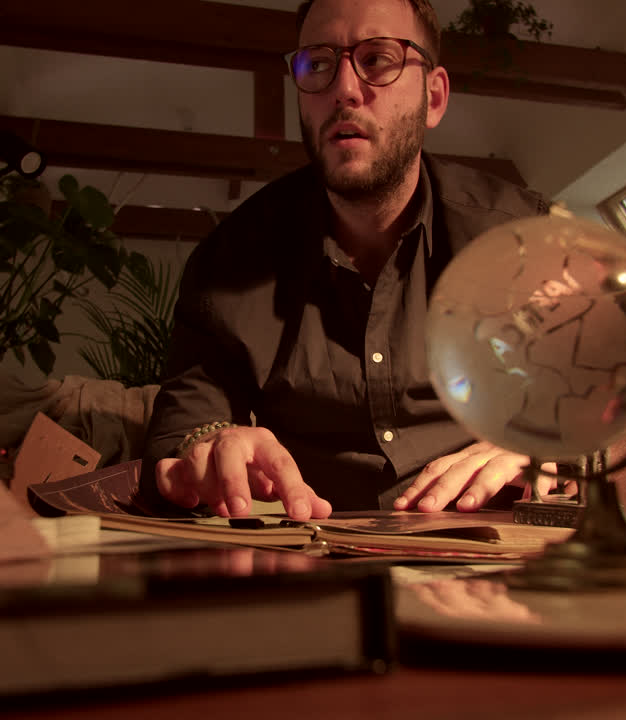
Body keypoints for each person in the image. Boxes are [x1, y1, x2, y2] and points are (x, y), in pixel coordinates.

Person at [140, 0, 562, 521]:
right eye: (317, 64)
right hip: (313, 562)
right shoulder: (230, 261)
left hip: (499, 559)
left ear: (433, 97)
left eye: (379, 59)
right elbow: (181, 432)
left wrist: (555, 449)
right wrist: (206, 448)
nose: (343, 88)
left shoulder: (522, 235)